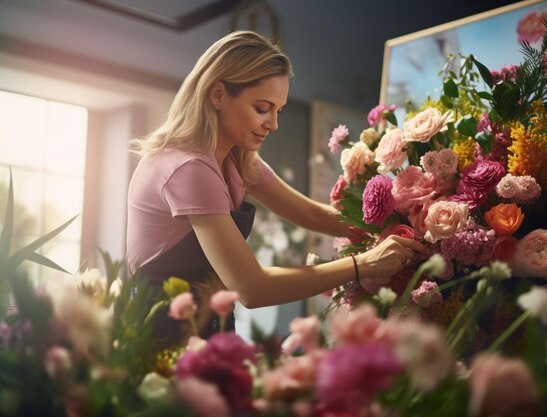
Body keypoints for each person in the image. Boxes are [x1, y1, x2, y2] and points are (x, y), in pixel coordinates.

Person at [126, 30, 425, 346]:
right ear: (217, 95)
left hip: (208, 330)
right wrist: (361, 264)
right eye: (262, 108)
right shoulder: (189, 167)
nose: (274, 124)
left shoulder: (238, 160)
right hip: (160, 338)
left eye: (278, 110)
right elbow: (251, 288)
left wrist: (404, 221)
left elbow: (309, 213)